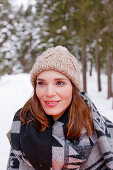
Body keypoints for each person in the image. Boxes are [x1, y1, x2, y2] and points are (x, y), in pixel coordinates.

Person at [7, 46, 113, 170]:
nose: (49, 92)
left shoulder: (100, 132)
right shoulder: (22, 128)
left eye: (60, 83)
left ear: (74, 88)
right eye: (41, 83)